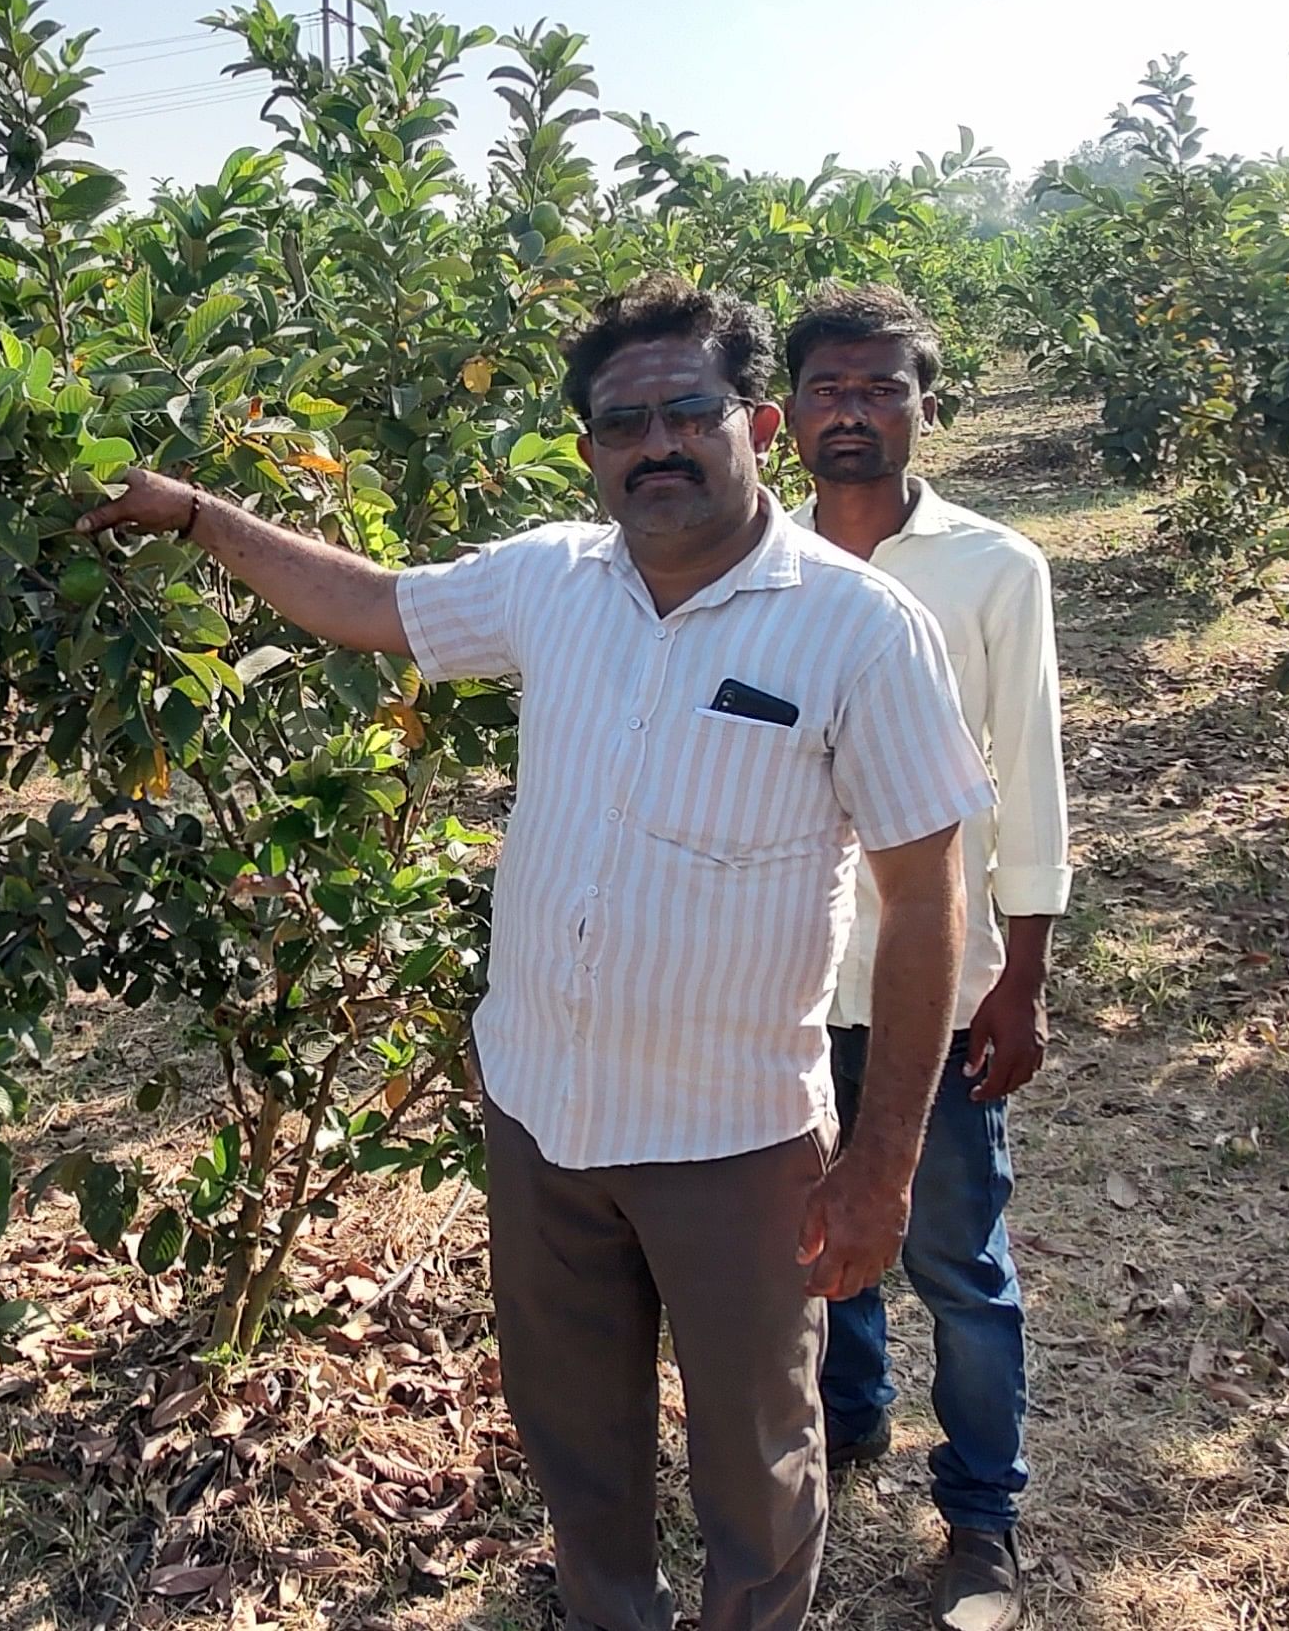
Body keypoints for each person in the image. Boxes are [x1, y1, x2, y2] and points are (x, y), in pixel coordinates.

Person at [77, 280, 993, 1631]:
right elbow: (376, 603)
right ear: (590, 448)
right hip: (543, 1117)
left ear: (755, 422)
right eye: (625, 422)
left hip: (733, 1140)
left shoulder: (859, 629)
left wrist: (880, 1165)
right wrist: (202, 518)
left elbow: (928, 904)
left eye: (690, 411)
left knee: (758, 1461)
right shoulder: (552, 580)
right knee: (576, 1439)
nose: (658, 445)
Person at [787, 283, 1068, 1631]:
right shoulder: (755, 565)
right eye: (828, 390)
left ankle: (981, 1517)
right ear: (784, 416)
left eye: (881, 388)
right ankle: (846, 1432)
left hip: (936, 980)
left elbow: (1032, 777)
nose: (854, 412)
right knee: (818, 1233)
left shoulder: (994, 568)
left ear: (925, 406)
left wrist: (1020, 975)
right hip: (786, 977)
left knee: (956, 1254)